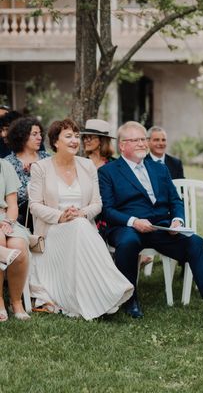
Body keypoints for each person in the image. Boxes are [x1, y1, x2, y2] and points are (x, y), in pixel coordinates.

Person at [98, 121, 203, 321]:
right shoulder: (108, 172)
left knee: (195, 242)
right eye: (136, 140)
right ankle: (130, 300)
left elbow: (175, 200)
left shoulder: (159, 169)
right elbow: (107, 210)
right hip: (127, 227)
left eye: (143, 139)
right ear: (122, 145)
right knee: (128, 242)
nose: (142, 144)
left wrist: (177, 221)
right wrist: (133, 221)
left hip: (161, 227)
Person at [28, 119, 134, 319]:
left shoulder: (87, 166)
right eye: (68, 136)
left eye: (77, 136)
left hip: (82, 227)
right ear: (55, 142)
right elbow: (34, 205)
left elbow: (97, 203)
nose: (75, 140)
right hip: (52, 231)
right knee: (78, 225)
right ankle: (111, 286)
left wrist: (82, 213)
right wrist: (61, 216)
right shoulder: (40, 168)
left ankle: (103, 293)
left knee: (79, 224)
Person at [0, 156, 31, 321]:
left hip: (5, 217)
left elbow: (12, 205)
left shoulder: (4, 166)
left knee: (18, 247)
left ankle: (16, 302)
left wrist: (8, 221)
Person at [5, 117, 50, 226]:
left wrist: (37, 171)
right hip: (23, 213)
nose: (39, 138)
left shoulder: (47, 158)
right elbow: (15, 195)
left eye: (40, 134)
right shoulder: (9, 163)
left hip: (50, 206)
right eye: (34, 134)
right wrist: (33, 177)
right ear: (22, 136)